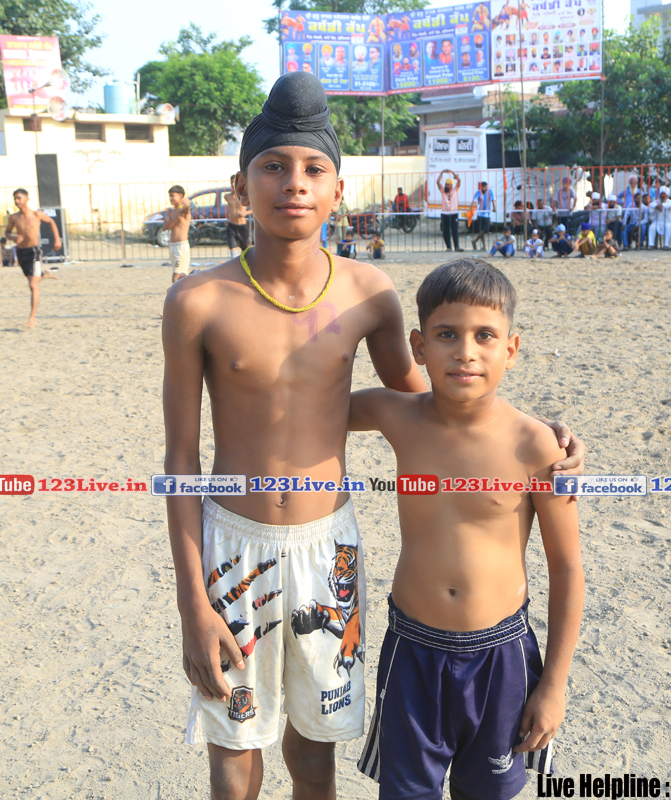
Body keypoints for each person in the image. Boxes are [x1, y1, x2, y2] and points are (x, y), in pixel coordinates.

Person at [162, 71, 587, 800]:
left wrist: (535, 435)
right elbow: (180, 460)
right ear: (241, 186)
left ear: (337, 190)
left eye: (313, 169)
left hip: (328, 549)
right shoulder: (196, 300)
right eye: (273, 166)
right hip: (234, 547)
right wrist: (191, 604)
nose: (294, 184)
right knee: (233, 760)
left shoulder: (368, 294)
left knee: (314, 754)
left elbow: (434, 401)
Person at [350, 260, 583, 799]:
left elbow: (568, 568)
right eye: (446, 335)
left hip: (501, 656)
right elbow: (307, 409)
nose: (466, 352)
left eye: (485, 336)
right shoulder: (395, 415)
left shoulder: (536, 445)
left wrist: (554, 685)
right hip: (411, 651)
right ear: (419, 345)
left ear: (511, 349)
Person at [5, 188, 62, 328]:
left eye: (19, 198)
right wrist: (13, 237)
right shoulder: (14, 218)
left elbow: (51, 222)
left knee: (32, 284)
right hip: (21, 252)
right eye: (15, 198)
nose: (17, 201)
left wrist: (57, 240)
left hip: (34, 251)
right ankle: (43, 274)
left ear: (27, 199)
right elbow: (7, 232)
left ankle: (32, 318)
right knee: (32, 279)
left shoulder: (37, 214)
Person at [161, 185, 193, 283]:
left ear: (180, 196)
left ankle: (176, 291)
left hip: (181, 246)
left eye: (172, 196)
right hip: (172, 245)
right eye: (169, 196)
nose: (170, 198)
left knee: (177, 275)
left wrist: (187, 204)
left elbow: (187, 209)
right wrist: (175, 217)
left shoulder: (184, 211)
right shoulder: (170, 212)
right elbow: (164, 227)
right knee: (179, 275)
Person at [226, 174, 253, 257]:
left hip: (242, 226)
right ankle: (233, 261)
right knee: (232, 247)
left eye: (234, 182)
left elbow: (254, 209)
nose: (232, 184)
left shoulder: (245, 196)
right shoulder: (227, 196)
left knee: (244, 248)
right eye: (231, 182)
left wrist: (245, 213)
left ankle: (245, 262)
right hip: (231, 226)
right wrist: (228, 218)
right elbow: (230, 209)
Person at [437, 169, 464, 252]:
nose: (445, 186)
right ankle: (448, 247)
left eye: (447, 185)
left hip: (454, 213)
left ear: (451, 185)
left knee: (455, 231)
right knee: (445, 231)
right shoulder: (442, 190)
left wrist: (453, 173)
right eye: (445, 184)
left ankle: (457, 247)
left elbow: (459, 181)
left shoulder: (455, 190)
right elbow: (437, 182)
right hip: (444, 214)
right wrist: (441, 173)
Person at [469, 180, 495, 250]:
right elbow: (473, 201)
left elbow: (493, 200)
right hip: (480, 214)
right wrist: (471, 208)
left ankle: (474, 241)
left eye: (485, 186)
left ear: (487, 187)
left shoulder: (490, 192)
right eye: (482, 187)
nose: (483, 188)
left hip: (487, 214)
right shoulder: (478, 192)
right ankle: (484, 246)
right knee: (481, 231)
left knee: (485, 230)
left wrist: (494, 207)